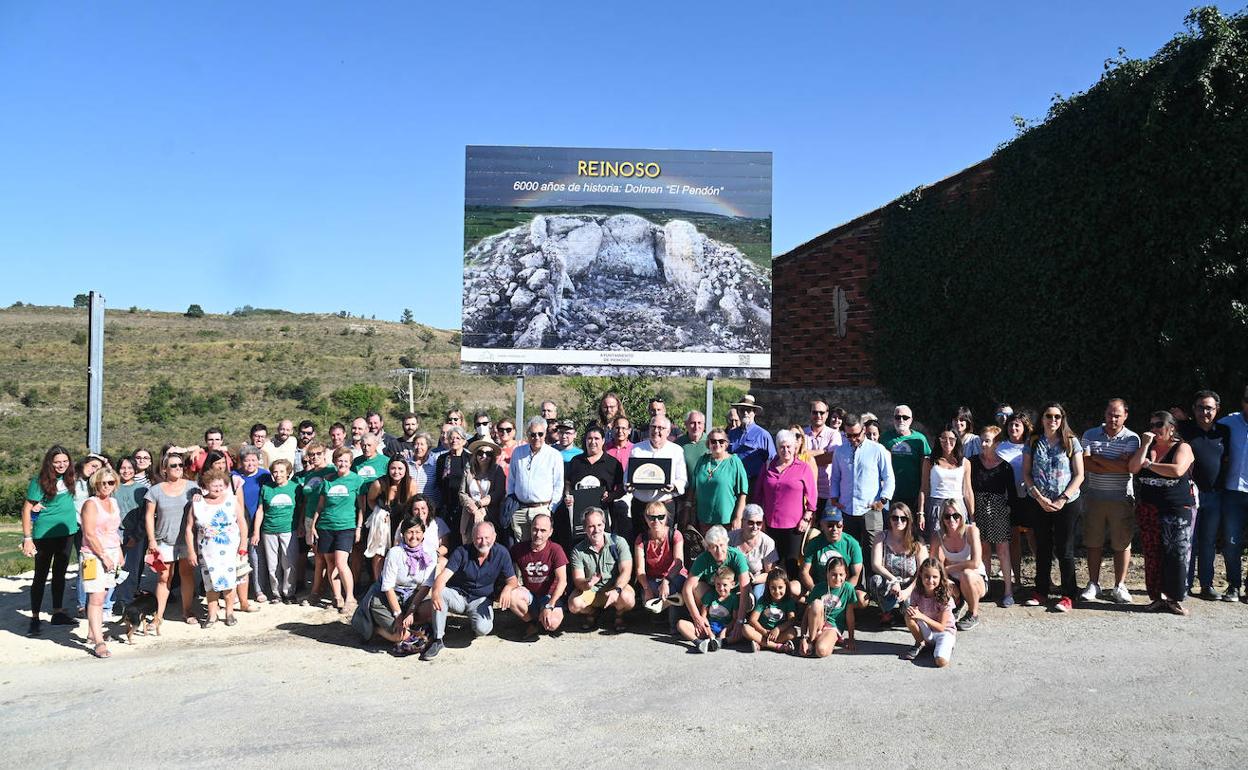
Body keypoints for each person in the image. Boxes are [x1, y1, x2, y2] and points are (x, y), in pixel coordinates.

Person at [1129, 411, 1196, 615]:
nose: (1155, 429)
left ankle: (1174, 599)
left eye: (1159, 424)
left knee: (1176, 553)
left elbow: (1177, 470)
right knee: (1152, 553)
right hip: (1149, 508)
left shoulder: (1182, 447)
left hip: (1176, 508)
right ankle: (1156, 597)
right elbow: (1132, 468)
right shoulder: (1147, 448)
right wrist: (1144, 446)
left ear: (1172, 428)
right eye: (1152, 424)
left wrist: (1150, 465)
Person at [424, 521, 518, 661]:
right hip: (459, 596)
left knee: (483, 629)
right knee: (441, 593)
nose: (483, 542)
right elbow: (443, 577)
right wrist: (436, 592)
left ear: (494, 536)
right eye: (479, 538)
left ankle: (473, 625)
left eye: (487, 538)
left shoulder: (502, 553)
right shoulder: (462, 552)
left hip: (481, 600)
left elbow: (513, 580)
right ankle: (438, 639)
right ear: (472, 537)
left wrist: (507, 588)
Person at [1022, 402, 1085, 611]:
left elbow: (1079, 474)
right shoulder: (1032, 441)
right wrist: (1039, 497)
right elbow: (1027, 474)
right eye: (1049, 416)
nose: (1053, 420)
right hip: (1039, 502)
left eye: (1057, 417)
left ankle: (1068, 595)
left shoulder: (1071, 441)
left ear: (1062, 419)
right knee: (1042, 548)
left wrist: (1062, 499)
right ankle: (1041, 591)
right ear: (1042, 419)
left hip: (1067, 503)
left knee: (1065, 549)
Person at [1079, 398, 1141, 605]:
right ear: (1104, 414)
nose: (1113, 419)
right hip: (1094, 496)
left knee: (1121, 543)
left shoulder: (1132, 438)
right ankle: (1093, 583)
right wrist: (1115, 463)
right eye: (1109, 414)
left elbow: (1128, 468)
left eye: (1117, 415)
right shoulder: (1089, 435)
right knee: (1093, 542)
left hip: (1121, 498)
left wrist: (1098, 458)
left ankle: (1119, 585)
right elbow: (1086, 464)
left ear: (1125, 416)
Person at [21, 446, 80, 635]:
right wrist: (27, 538)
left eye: (65, 461)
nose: (61, 465)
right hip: (45, 535)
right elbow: (26, 509)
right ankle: (35, 618)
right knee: (40, 576)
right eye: (57, 462)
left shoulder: (71, 478)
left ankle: (57, 612)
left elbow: (92, 468)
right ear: (50, 463)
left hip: (67, 532)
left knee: (59, 573)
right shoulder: (40, 482)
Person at [827, 414, 895, 572]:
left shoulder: (878, 450)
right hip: (846, 508)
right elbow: (835, 477)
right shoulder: (840, 451)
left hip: (870, 508)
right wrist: (835, 498)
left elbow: (889, 478)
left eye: (856, 435)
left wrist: (883, 500)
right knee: (849, 550)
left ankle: (873, 589)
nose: (853, 439)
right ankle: (853, 588)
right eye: (848, 435)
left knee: (873, 551)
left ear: (863, 430)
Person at [1180, 390, 1231, 599]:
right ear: (1194, 410)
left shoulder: (1225, 432)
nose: (1204, 412)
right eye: (1200, 407)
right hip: (1189, 495)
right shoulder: (1184, 430)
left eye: (1209, 408)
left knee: (1208, 542)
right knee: (1188, 541)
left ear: (1217, 410)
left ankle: (1207, 585)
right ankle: (1184, 584)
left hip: (1215, 495)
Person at [186, 469, 248, 628]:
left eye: (221, 485)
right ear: (206, 485)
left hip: (229, 549)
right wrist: (191, 551)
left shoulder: (232, 500)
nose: (218, 489)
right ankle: (212, 615)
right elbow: (189, 528)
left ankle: (229, 613)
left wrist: (243, 545)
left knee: (229, 582)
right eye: (214, 486)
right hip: (206, 551)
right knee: (210, 583)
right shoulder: (197, 502)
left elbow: (242, 523)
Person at [144, 451, 199, 628]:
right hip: (163, 540)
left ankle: (187, 611)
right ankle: (158, 616)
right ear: (164, 469)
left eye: (180, 465)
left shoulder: (193, 487)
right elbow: (148, 516)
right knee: (163, 577)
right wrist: (151, 540)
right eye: (173, 465)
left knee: (187, 574)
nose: (177, 468)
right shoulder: (155, 491)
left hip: (186, 540)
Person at [311, 447, 367, 615]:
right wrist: (313, 525)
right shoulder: (327, 480)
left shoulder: (357, 481)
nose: (342, 463)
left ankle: (350, 597)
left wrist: (359, 527)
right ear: (335, 462)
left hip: (346, 526)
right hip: (326, 526)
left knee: (342, 562)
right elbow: (320, 505)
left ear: (350, 463)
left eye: (345, 461)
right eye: (339, 460)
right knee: (330, 563)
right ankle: (337, 597)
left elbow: (361, 507)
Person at [755, 429, 817, 575]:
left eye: (789, 446)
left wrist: (806, 518)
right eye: (782, 447)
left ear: (794, 447)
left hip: (794, 526)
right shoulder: (768, 466)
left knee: (791, 564)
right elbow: (758, 494)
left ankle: (792, 595)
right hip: (770, 524)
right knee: (771, 564)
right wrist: (759, 519)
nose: (786, 450)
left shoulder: (803, 468)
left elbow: (812, 496)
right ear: (777, 448)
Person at [970, 426, 1017, 606]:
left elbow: (1011, 494)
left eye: (987, 440)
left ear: (996, 443)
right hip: (977, 508)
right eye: (981, 440)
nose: (983, 444)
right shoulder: (972, 462)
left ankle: (1008, 591)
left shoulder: (1005, 467)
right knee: (983, 549)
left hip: (998, 509)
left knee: (1003, 549)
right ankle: (985, 587)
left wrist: (1008, 513)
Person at [568, 508, 636, 632]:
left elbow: (626, 571)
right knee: (574, 605)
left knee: (628, 599)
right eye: (591, 526)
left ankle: (619, 615)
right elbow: (578, 579)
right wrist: (587, 583)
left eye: (599, 525)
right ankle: (593, 612)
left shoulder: (619, 542)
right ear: (584, 528)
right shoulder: (578, 550)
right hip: (592, 590)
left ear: (604, 524)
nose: (596, 530)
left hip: (613, 588)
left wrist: (617, 589)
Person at [371, 516, 436, 644]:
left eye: (417, 532)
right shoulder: (395, 553)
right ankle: (376, 629)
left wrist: (411, 611)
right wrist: (398, 615)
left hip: (413, 596)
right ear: (403, 534)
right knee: (401, 636)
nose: (414, 536)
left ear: (423, 534)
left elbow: (425, 586)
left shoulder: (430, 553)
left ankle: (411, 624)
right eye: (410, 532)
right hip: (391, 597)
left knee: (434, 606)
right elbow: (388, 587)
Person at [79, 467, 122, 657]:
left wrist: (118, 551)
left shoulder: (113, 502)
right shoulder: (90, 504)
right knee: (96, 597)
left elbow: (114, 529)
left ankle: (92, 632)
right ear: (96, 484)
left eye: (110, 482)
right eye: (102, 483)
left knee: (104, 594)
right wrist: (103, 555)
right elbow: (88, 534)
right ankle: (99, 642)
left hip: (112, 552)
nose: (106, 486)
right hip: (92, 555)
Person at [509, 513, 569, 640]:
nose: (538, 534)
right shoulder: (519, 549)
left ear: (550, 532)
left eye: (543, 530)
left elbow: (562, 581)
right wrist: (513, 584)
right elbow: (504, 566)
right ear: (530, 529)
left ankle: (544, 616)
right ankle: (532, 623)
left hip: (549, 596)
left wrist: (550, 605)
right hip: (530, 595)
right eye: (535, 529)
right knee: (512, 595)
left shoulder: (556, 549)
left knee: (551, 624)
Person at [563, 426, 624, 550]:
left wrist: (611, 496)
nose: (593, 442)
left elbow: (622, 488)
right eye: (589, 438)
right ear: (585, 441)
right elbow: (568, 483)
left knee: (603, 546)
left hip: (604, 514)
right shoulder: (576, 461)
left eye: (596, 438)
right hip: (579, 515)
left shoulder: (613, 463)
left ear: (603, 441)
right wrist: (567, 495)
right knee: (579, 548)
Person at [627, 416, 687, 540]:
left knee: (664, 543)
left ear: (668, 431)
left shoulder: (676, 450)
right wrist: (628, 484)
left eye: (661, 428)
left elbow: (682, 480)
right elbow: (628, 475)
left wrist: (674, 486)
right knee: (640, 543)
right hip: (641, 506)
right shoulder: (636, 449)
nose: (656, 431)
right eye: (653, 427)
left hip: (665, 506)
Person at [507, 416, 565, 544]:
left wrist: (550, 509)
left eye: (540, 434)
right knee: (521, 550)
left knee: (540, 548)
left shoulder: (554, 455)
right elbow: (511, 480)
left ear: (545, 434)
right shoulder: (518, 452)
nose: (536, 437)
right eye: (533, 434)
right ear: (528, 434)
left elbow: (558, 485)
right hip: (520, 510)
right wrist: (512, 502)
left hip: (542, 509)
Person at [868, 502, 928, 624]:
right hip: (890, 583)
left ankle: (903, 609)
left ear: (909, 520)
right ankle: (886, 612)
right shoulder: (881, 537)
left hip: (911, 584)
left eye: (903, 518)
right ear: (889, 520)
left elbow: (924, 570)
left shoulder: (917, 541)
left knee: (908, 613)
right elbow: (876, 565)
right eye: (895, 518)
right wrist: (893, 580)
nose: (899, 521)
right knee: (875, 580)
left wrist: (908, 591)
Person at [1215, 386, 1248, 603]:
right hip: (1233, 491)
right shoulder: (1229, 422)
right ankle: (1234, 586)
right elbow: (1206, 429)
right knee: (1232, 542)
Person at [681, 525, 751, 628]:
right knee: (696, 587)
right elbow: (686, 589)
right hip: (713, 593)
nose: (719, 551)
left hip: (733, 593)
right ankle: (704, 621)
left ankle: (738, 622)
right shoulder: (703, 559)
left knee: (749, 598)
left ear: (727, 543)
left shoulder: (737, 556)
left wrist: (739, 621)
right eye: (714, 547)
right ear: (708, 548)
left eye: (722, 545)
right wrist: (696, 617)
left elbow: (745, 588)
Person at [933, 499, 986, 630]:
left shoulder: (971, 531)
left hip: (975, 580)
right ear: (942, 518)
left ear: (962, 516)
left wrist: (948, 569)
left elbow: (975, 563)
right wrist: (944, 577)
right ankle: (956, 604)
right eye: (947, 516)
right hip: (952, 580)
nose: (951, 520)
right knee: (934, 578)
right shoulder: (938, 535)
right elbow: (932, 564)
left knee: (966, 574)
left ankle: (973, 614)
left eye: (956, 516)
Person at [996, 412, 1034, 590]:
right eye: (1011, 425)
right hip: (1008, 500)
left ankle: (1044, 579)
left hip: (1030, 497)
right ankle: (1016, 580)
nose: (1013, 429)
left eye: (1017, 425)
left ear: (1025, 427)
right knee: (1014, 540)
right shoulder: (1000, 447)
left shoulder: (1032, 445)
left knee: (1034, 537)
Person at [634, 500, 687, 627]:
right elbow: (640, 570)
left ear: (666, 517)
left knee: (672, 589)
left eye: (660, 517)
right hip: (654, 578)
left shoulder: (675, 534)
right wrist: (646, 588)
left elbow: (678, 563)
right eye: (651, 517)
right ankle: (670, 606)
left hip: (674, 575)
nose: (656, 521)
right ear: (646, 519)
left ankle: (673, 624)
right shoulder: (641, 539)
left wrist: (666, 581)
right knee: (648, 593)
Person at [364, 456, 418, 579]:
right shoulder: (379, 484)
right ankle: (376, 582)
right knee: (379, 552)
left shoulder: (411, 484)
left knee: (398, 551)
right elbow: (370, 500)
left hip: (402, 520)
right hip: (383, 521)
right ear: (388, 469)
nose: (396, 472)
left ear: (406, 470)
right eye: (393, 468)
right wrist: (379, 512)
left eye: (400, 468)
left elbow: (412, 505)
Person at [797, 510, 864, 605]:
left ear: (843, 525)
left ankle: (840, 608)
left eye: (839, 525)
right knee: (793, 588)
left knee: (862, 599)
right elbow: (804, 572)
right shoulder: (814, 543)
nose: (835, 529)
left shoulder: (852, 543)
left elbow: (855, 575)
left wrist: (840, 594)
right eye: (830, 525)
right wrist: (816, 591)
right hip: (818, 586)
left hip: (842, 587)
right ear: (822, 525)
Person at [255, 459, 300, 603]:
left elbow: (301, 508)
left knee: (289, 562)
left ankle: (289, 592)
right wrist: (256, 531)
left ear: (288, 473)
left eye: (281, 471)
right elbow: (260, 510)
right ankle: (276, 593)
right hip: (269, 530)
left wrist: (300, 526)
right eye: (275, 471)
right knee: (272, 563)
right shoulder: (266, 488)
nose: (278, 474)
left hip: (288, 529)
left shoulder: (295, 487)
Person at [917, 426, 974, 538]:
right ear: (939, 440)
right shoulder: (929, 461)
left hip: (958, 507)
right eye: (944, 439)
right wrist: (921, 513)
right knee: (936, 544)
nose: (947, 442)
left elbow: (968, 491)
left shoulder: (965, 462)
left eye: (951, 439)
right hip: (936, 505)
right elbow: (924, 489)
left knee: (958, 543)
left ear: (956, 440)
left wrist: (972, 516)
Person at [899, 558, 957, 666]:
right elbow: (913, 614)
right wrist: (913, 612)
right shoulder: (916, 592)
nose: (930, 581)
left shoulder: (945, 597)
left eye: (935, 577)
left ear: (940, 577)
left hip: (944, 633)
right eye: (927, 576)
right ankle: (920, 643)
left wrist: (921, 616)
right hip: (927, 631)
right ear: (920, 575)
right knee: (909, 615)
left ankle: (944, 646)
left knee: (941, 662)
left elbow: (941, 627)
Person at [690, 428, 750, 532]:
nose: (717, 444)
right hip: (704, 519)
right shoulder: (702, 460)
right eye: (713, 441)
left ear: (726, 443)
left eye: (721, 441)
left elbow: (742, 494)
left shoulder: (734, 462)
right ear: (708, 443)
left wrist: (738, 518)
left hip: (726, 521)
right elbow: (693, 489)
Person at [112, 456, 151, 611]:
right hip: (115, 536)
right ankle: (112, 600)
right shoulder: (112, 488)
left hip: (137, 536)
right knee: (114, 568)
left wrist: (136, 536)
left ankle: (126, 600)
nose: (126, 471)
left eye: (129, 468)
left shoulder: (142, 490)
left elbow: (145, 515)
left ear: (135, 470)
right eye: (123, 468)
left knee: (132, 568)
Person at [232, 446, 272, 601]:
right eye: (246, 460)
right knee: (240, 557)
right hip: (239, 523)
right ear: (241, 462)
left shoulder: (265, 475)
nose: (250, 463)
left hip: (259, 522)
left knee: (256, 557)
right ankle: (236, 591)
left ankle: (259, 590)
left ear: (258, 460)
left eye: (253, 460)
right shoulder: (234, 476)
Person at [799, 556, 856, 657]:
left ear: (846, 575)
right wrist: (803, 638)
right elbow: (806, 615)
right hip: (817, 624)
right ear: (827, 574)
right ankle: (811, 640)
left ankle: (824, 640)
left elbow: (850, 616)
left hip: (833, 627)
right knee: (816, 603)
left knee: (821, 651)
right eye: (834, 575)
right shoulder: (819, 588)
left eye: (841, 575)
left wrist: (851, 639)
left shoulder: (848, 589)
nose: (838, 578)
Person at [675, 567, 740, 652]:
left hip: (725, 629)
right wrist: (709, 632)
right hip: (709, 628)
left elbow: (735, 619)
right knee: (681, 624)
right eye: (718, 584)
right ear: (714, 584)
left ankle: (721, 642)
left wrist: (725, 631)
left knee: (741, 631)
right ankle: (699, 642)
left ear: (732, 584)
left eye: (725, 585)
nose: (721, 588)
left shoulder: (734, 599)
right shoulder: (710, 595)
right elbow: (703, 616)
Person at [882, 405, 931, 512]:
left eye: (905, 417)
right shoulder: (885, 438)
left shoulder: (920, 439)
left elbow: (927, 464)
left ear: (911, 420)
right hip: (892, 493)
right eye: (897, 417)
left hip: (914, 493)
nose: (901, 420)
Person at [459, 434, 506, 544]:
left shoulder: (497, 471)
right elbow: (462, 493)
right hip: (469, 515)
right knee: (468, 547)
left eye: (488, 453)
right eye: (480, 453)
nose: (484, 456)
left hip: (489, 514)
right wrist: (474, 509)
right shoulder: (468, 471)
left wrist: (480, 505)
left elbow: (498, 493)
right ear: (475, 454)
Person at [728, 504, 779, 602]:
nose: (755, 526)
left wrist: (754, 580)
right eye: (751, 522)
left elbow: (770, 573)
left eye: (759, 523)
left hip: (756, 579)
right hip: (732, 578)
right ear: (743, 522)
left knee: (757, 596)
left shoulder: (768, 542)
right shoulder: (730, 537)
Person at [742, 567, 798, 653]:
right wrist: (764, 632)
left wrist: (778, 629)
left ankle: (762, 644)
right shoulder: (763, 600)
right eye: (773, 588)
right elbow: (752, 620)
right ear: (768, 587)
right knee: (745, 628)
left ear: (786, 586)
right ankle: (777, 646)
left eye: (780, 587)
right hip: (762, 632)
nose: (777, 591)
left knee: (793, 632)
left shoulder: (789, 601)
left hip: (778, 634)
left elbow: (791, 620)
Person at [727, 394, 776, 491]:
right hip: (733, 483)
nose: (745, 413)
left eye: (748, 410)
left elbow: (772, 461)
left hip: (754, 483)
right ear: (738, 412)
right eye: (742, 410)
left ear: (754, 413)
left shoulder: (763, 435)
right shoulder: (731, 434)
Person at [807, 401, 844, 515]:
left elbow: (831, 457)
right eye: (815, 412)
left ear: (827, 414)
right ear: (810, 413)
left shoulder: (834, 434)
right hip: (807, 490)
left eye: (821, 412)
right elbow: (797, 457)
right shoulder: (802, 434)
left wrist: (807, 457)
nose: (818, 416)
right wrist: (823, 451)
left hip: (828, 491)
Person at [435, 426, 470, 533]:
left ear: (464, 441)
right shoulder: (443, 459)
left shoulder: (470, 458)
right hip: (447, 504)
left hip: (464, 505)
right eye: (451, 438)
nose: (454, 440)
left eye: (458, 438)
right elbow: (439, 481)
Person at [676, 410, 709, 483]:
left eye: (699, 423)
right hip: (685, 490)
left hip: (706, 488)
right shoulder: (678, 444)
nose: (696, 427)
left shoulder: (711, 442)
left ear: (704, 425)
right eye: (692, 423)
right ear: (686, 424)